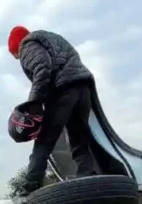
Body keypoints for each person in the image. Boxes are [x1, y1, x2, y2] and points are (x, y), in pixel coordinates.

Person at [8, 26, 100, 194]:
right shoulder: (49, 38)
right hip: (83, 86)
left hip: (62, 89)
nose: (18, 58)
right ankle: (87, 176)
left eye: (15, 55)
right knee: (79, 136)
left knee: (44, 140)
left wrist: (33, 104)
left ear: (16, 46)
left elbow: (42, 68)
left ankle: (31, 185)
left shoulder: (27, 45)